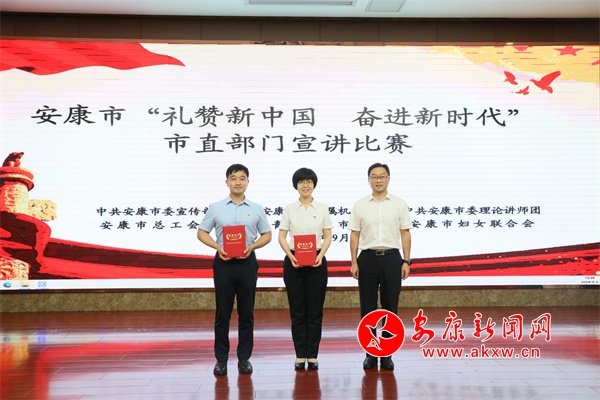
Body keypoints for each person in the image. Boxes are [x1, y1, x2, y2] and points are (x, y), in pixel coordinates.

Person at [197, 164, 272, 376]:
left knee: (246, 313)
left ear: (248, 182)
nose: (238, 182)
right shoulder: (216, 208)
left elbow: (267, 234)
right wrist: (218, 247)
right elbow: (201, 232)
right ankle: (221, 359)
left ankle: (244, 358)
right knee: (223, 313)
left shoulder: (256, 208)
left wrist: (252, 247)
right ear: (227, 182)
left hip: (247, 263)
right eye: (233, 178)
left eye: (242, 178)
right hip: (224, 263)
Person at [348, 162, 412, 371]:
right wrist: (354, 261)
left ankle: (387, 354)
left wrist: (406, 261)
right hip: (366, 259)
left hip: (392, 258)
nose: (378, 180)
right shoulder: (360, 205)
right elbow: (354, 235)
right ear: (369, 180)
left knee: (390, 306)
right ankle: (370, 353)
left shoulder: (399, 204)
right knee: (367, 307)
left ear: (388, 179)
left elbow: (405, 233)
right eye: (374, 176)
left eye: (382, 176)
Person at [278, 168, 332, 371]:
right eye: (301, 182)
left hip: (317, 262)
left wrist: (320, 255)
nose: (305, 185)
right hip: (294, 262)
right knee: (298, 311)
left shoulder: (322, 208)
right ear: (296, 186)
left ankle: (313, 354)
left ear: (314, 185)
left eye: (309, 181)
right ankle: (300, 354)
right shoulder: (289, 209)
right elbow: (282, 236)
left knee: (315, 311)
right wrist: (290, 255)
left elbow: (328, 235)